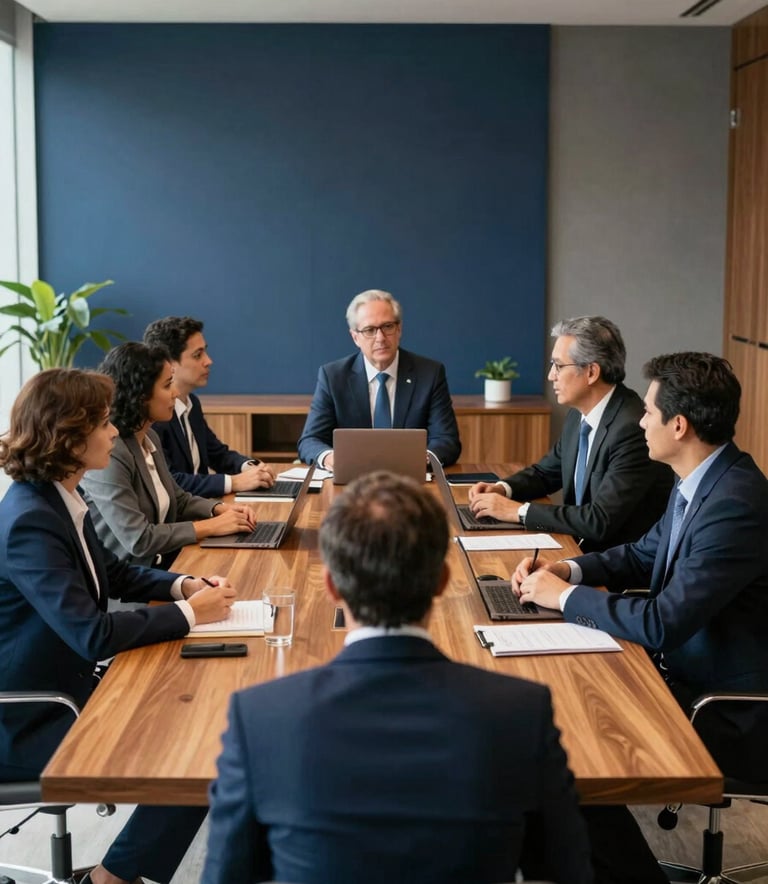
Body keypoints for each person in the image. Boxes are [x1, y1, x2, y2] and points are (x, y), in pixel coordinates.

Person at [202, 471, 592, 884]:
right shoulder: (521, 711)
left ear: (331, 586)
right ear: (442, 581)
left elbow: (227, 874)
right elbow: (566, 870)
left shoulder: (259, 716)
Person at [513, 352, 768, 883]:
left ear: (680, 425)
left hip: (725, 710)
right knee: (546, 738)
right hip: (681, 676)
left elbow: (662, 623)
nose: (641, 420)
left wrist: (561, 598)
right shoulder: (701, 477)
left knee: (564, 760)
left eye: (648, 412)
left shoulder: (734, 503)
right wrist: (569, 568)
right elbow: (641, 553)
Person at [0, 368, 237, 884]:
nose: (113, 433)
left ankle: (113, 875)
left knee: (202, 724)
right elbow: (92, 633)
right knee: (196, 759)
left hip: (72, 686)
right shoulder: (28, 521)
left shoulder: (58, 498)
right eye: (103, 424)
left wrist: (184, 587)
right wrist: (193, 616)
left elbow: (115, 570)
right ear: (69, 436)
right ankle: (111, 880)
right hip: (29, 715)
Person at [469, 315, 672, 552]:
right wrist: (503, 489)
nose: (550, 375)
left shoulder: (632, 428)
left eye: (558, 365)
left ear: (592, 372)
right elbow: (546, 473)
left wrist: (515, 511)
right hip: (577, 548)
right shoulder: (579, 413)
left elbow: (599, 520)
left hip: (613, 565)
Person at [81, 342, 257, 568]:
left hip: (167, 563)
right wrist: (212, 526)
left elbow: (179, 499)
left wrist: (219, 509)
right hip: (133, 584)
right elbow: (139, 539)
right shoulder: (112, 454)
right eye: (167, 385)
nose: (175, 393)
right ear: (139, 396)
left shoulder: (149, 437)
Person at [297, 289, 461, 468]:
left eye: (388, 327)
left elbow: (447, 440)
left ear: (399, 329)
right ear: (355, 337)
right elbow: (310, 440)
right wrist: (331, 458)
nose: (380, 338)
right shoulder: (333, 376)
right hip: (352, 482)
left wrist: (423, 458)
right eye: (369, 330)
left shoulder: (429, 374)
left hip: (410, 480)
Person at [143, 316, 275, 497]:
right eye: (198, 355)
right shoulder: (155, 416)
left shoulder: (192, 403)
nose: (208, 361)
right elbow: (171, 481)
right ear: (169, 363)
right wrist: (234, 482)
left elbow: (217, 453)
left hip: (204, 508)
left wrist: (251, 467)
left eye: (205, 352)